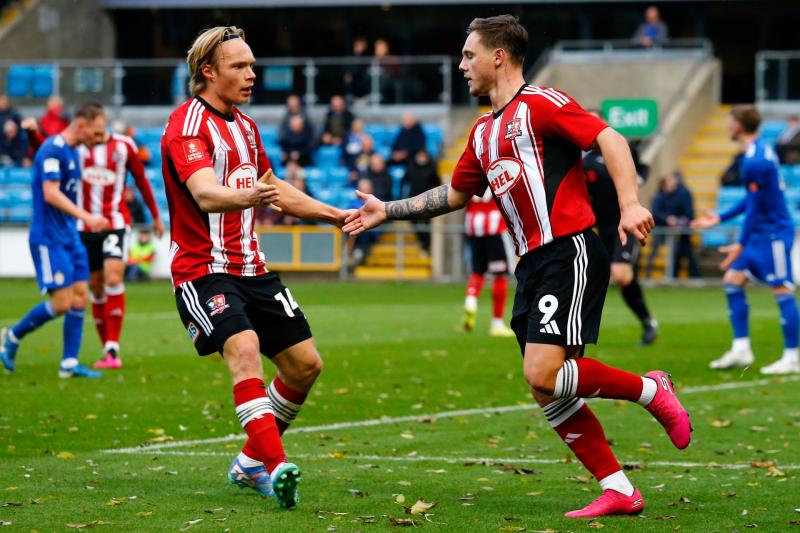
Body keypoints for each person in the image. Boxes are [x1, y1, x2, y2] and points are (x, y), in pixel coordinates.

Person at [344, 15, 691, 519]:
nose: (462, 64)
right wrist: (388, 210)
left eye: (469, 55)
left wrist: (631, 203)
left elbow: (612, 140)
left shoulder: (543, 105)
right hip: (530, 264)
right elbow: (455, 194)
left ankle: (650, 390)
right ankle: (619, 488)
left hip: (568, 250)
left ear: (498, 57)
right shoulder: (483, 132)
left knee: (542, 369)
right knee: (545, 385)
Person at [162, 26, 351, 510]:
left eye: (251, 65)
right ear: (209, 72)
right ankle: (276, 464)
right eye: (239, 66)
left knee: (305, 366)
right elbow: (205, 192)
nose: (251, 74)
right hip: (203, 270)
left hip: (253, 268)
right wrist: (249, 195)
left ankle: (249, 462)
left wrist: (335, 215)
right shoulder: (186, 125)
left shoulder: (245, 127)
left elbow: (274, 188)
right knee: (244, 350)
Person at [0, 103, 110, 378]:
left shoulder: (72, 151)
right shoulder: (53, 149)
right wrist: (87, 216)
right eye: (96, 133)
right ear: (81, 126)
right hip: (49, 238)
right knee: (62, 302)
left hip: (70, 236)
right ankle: (13, 335)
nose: (99, 139)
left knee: (80, 297)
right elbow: (50, 193)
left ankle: (69, 364)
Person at [692, 105, 800, 374]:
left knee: (782, 289)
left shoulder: (755, 160)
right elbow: (752, 199)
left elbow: (753, 209)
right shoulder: (758, 151)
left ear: (739, 125)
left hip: (774, 233)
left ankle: (792, 356)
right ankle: (741, 349)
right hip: (761, 232)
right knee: (732, 281)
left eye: (731, 122)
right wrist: (720, 216)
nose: (728, 126)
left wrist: (740, 243)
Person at [77, 119, 165, 370]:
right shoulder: (78, 147)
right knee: (95, 285)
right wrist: (31, 134)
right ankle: (107, 352)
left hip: (115, 223)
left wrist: (155, 216)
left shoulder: (124, 146)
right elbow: (48, 153)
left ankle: (113, 347)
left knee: (113, 278)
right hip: (86, 227)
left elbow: (141, 180)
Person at [583, 136, 658, 345]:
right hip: (603, 228)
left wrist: (637, 180)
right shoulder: (586, 162)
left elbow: (643, 168)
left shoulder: (619, 151)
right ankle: (648, 323)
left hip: (625, 223)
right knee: (615, 276)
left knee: (621, 274)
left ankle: (647, 321)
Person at [462, 189, 514, 337]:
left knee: (477, 271)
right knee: (499, 275)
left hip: (473, 226)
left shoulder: (470, 169)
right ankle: (497, 323)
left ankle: (470, 300)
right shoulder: (498, 167)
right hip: (494, 225)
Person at [651, 172, 701, 279]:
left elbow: (687, 213)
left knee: (683, 252)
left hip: (679, 230)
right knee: (680, 252)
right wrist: (668, 219)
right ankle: (681, 276)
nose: (673, 182)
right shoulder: (660, 196)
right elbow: (656, 213)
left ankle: (680, 276)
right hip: (665, 230)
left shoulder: (681, 193)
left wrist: (680, 221)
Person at [401, 149, 440, 253]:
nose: (421, 158)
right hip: (413, 199)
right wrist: (402, 196)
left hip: (427, 200)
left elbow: (437, 183)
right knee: (412, 220)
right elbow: (403, 181)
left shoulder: (431, 168)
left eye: (423, 156)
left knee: (427, 224)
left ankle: (426, 245)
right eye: (419, 156)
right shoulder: (411, 168)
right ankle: (422, 241)